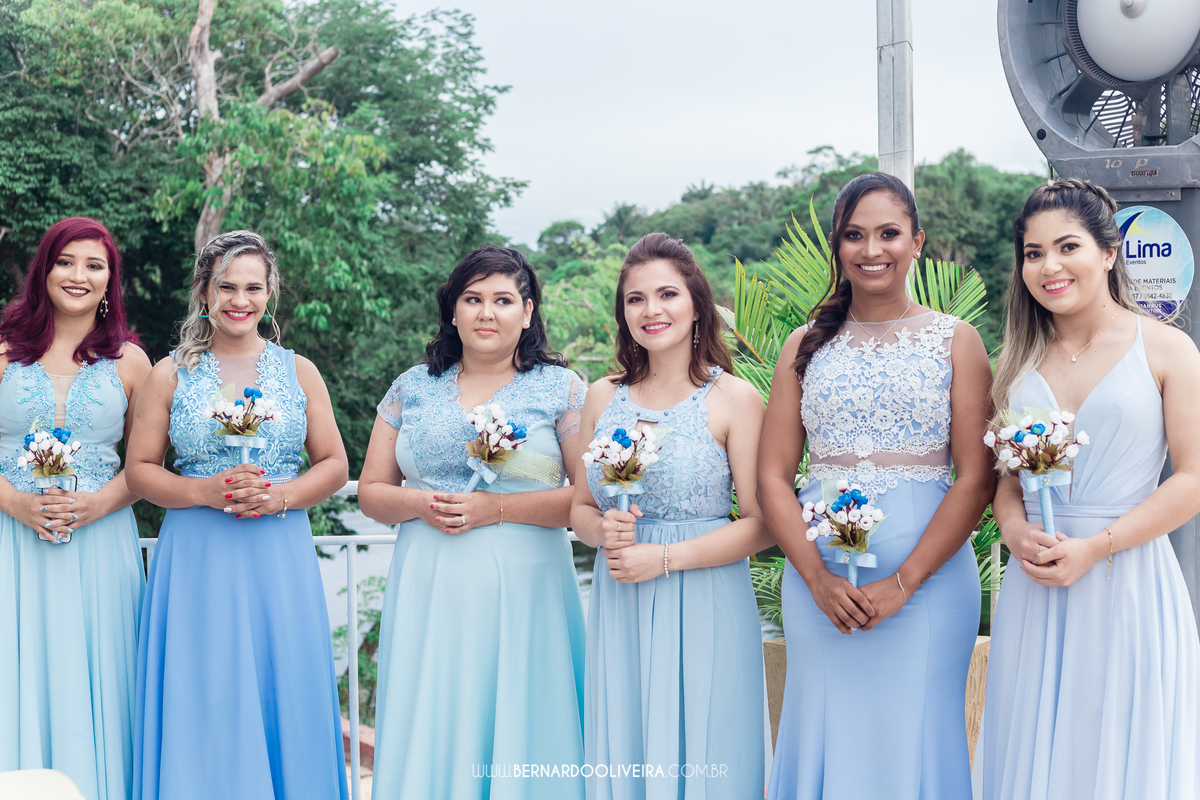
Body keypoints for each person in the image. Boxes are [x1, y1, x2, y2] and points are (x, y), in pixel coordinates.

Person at [759, 173, 995, 799]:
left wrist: (904, 582)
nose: (871, 250)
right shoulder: (804, 345)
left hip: (929, 589)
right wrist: (816, 579)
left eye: (889, 233)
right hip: (820, 590)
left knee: (918, 738)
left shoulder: (956, 340)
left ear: (917, 241)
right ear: (837, 246)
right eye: (854, 235)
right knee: (823, 733)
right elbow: (772, 477)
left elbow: (976, 479)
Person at [975, 179, 1200, 800]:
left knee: (1120, 744)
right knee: (1035, 744)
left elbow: (1192, 480)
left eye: (1067, 247)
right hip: (1037, 583)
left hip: (1127, 578)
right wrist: (1014, 530)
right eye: (1033, 253)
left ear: (1108, 252)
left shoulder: (1168, 349)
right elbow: (1005, 479)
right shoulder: (1016, 358)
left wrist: (1097, 547)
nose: (1049, 266)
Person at [126, 231, 349, 800]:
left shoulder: (300, 371)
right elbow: (141, 471)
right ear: (204, 292)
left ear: (269, 294)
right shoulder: (168, 373)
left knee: (284, 683)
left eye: (253, 287)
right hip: (197, 552)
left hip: (278, 549)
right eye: (226, 287)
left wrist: (282, 496)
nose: (239, 299)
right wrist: (201, 491)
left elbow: (334, 464)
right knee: (204, 688)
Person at [358, 246, 587, 800]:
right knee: (435, 711)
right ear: (453, 311)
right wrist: (419, 504)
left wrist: (496, 509)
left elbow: (587, 499)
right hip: (429, 583)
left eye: (503, 300)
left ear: (527, 313)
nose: (487, 313)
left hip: (529, 587)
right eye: (473, 298)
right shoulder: (411, 386)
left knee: (525, 712)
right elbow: (371, 493)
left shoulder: (562, 389)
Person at [571, 232, 773, 799]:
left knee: (709, 749)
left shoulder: (735, 399)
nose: (650, 310)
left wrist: (662, 558)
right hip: (621, 601)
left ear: (696, 305)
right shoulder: (601, 396)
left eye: (666, 294)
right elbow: (579, 509)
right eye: (635, 299)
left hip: (705, 597)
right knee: (629, 749)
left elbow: (761, 523)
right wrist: (601, 530)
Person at [0, 217, 150, 800]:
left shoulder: (132, 362)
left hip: (100, 544)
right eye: (65, 261)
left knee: (101, 672)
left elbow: (145, 467)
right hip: (11, 540)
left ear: (111, 279)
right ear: (44, 269)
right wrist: (16, 503)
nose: (78, 275)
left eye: (94, 265)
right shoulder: (4, 349)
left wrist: (96, 505)